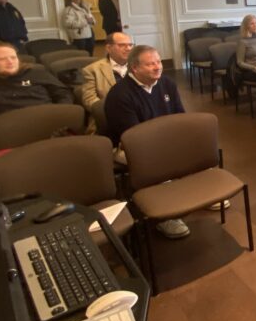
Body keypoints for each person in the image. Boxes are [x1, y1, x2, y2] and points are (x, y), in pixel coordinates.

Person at [104, 45, 189, 239]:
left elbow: (180, 117)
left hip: (163, 140)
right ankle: (164, 215)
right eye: (150, 64)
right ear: (134, 68)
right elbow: (133, 138)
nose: (157, 67)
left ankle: (198, 192)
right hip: (130, 148)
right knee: (158, 162)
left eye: (158, 62)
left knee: (194, 151)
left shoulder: (166, 84)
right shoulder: (120, 95)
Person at [0, 41, 74, 121]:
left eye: (13, 57)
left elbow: (63, 94)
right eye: (2, 59)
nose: (10, 62)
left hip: (48, 123)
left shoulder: (35, 72)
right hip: (7, 133)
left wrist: (61, 116)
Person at [81, 32, 133, 110]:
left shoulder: (139, 65)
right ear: (109, 48)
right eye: (122, 45)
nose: (128, 49)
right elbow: (90, 100)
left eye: (130, 45)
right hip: (108, 115)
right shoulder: (92, 70)